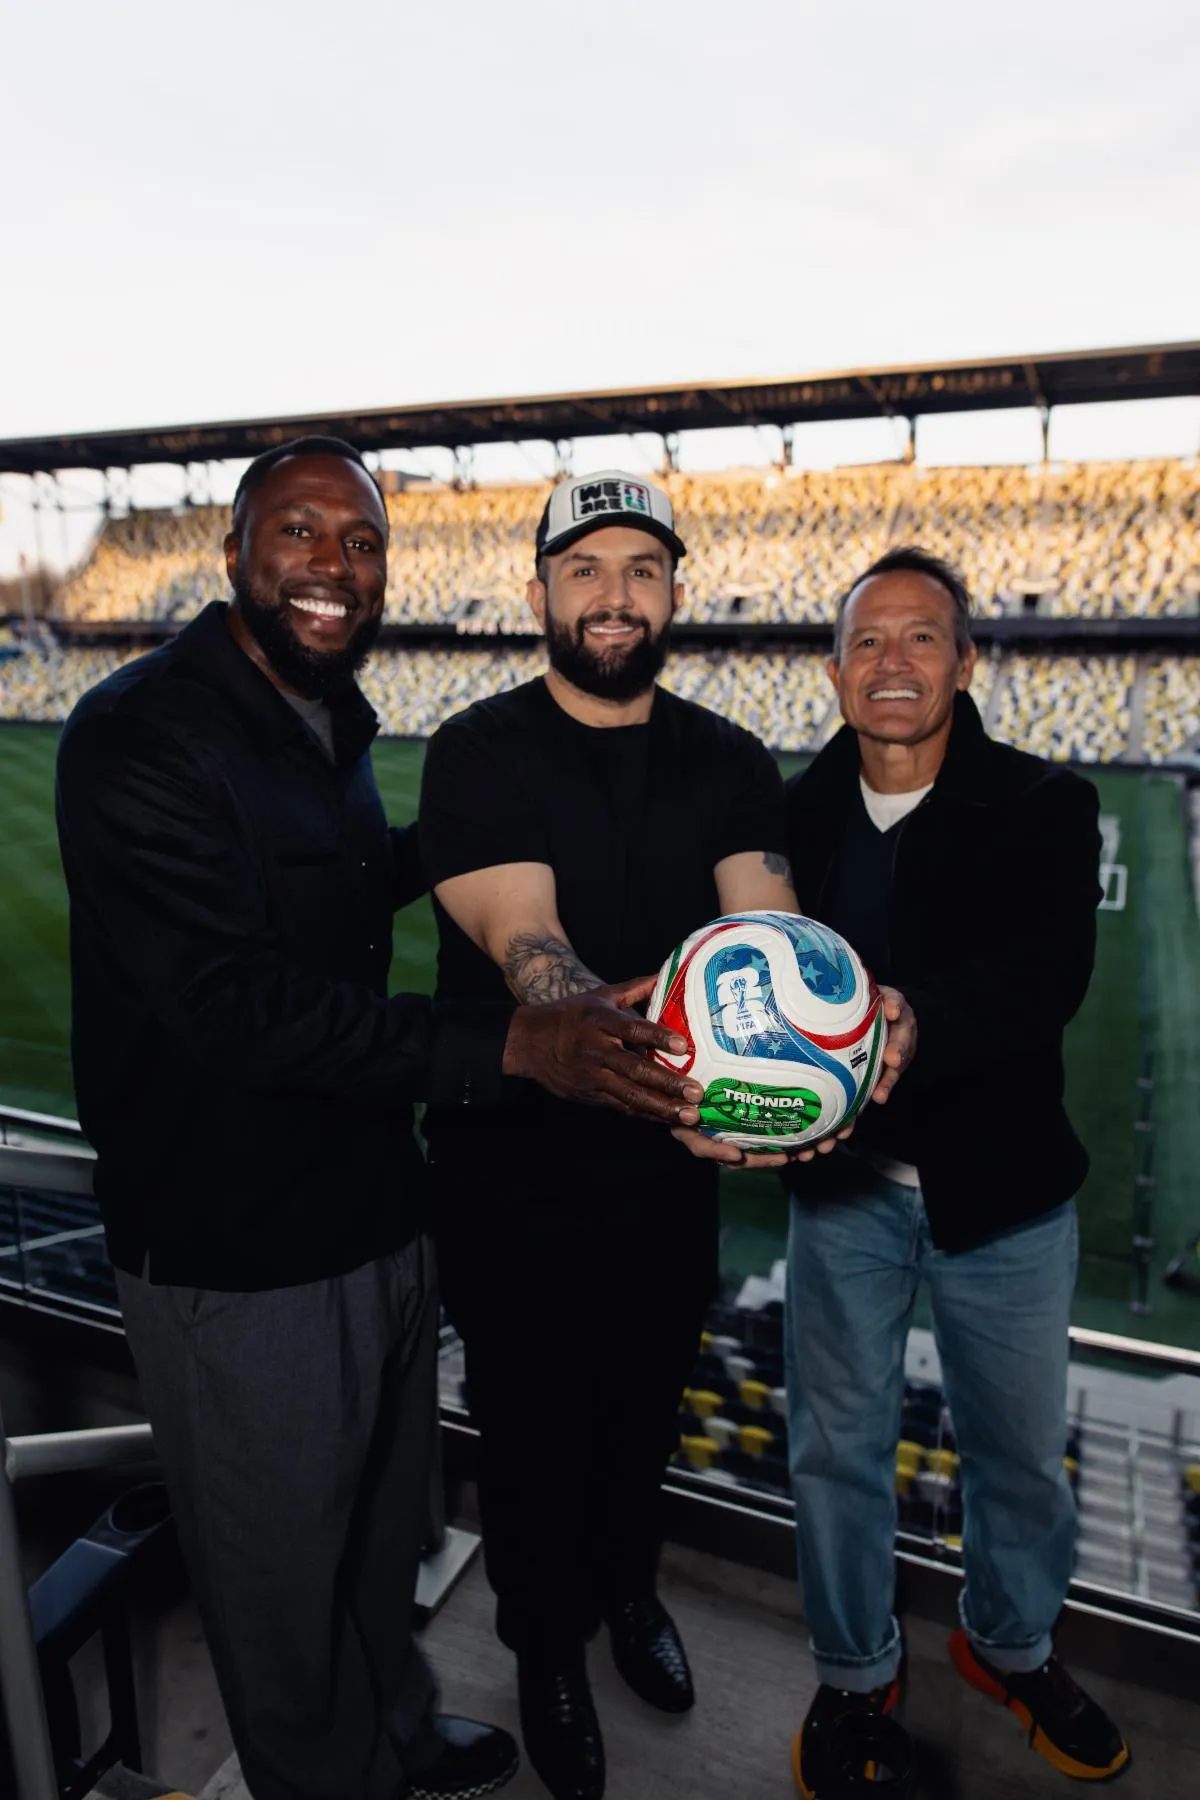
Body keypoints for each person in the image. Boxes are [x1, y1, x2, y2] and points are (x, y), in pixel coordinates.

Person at [55, 438, 706, 1800]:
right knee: (283, 1590)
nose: (336, 569)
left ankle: (398, 1738)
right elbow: (241, 1009)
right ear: (235, 550)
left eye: (363, 544)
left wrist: (486, 822)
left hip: (372, 1215)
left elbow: (351, 899)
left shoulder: (329, 716)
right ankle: (330, 1776)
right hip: (239, 1252)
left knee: (374, 1541)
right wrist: (515, 1042)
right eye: (302, 533)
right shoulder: (140, 732)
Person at [418, 472, 915, 1800]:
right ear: (539, 595)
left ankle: (629, 1597)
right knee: (528, 1428)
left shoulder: (726, 759)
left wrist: (844, 1047)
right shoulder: (477, 748)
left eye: (643, 567)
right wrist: (598, 1028)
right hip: (510, 1173)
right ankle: (545, 1648)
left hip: (666, 1172)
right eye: (585, 569)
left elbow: (775, 931)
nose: (616, 593)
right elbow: (530, 945)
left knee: (641, 1412)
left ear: (678, 593)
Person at [782, 546, 1130, 1794]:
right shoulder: (793, 814)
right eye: (868, 641)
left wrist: (916, 1021)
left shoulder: (1043, 801)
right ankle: (854, 1671)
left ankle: (1009, 1646)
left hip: (1004, 1198)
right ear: (832, 670)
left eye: (922, 638)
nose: (893, 663)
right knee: (834, 1447)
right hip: (845, 1190)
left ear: (967, 661)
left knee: (1020, 1453)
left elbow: (1047, 977)